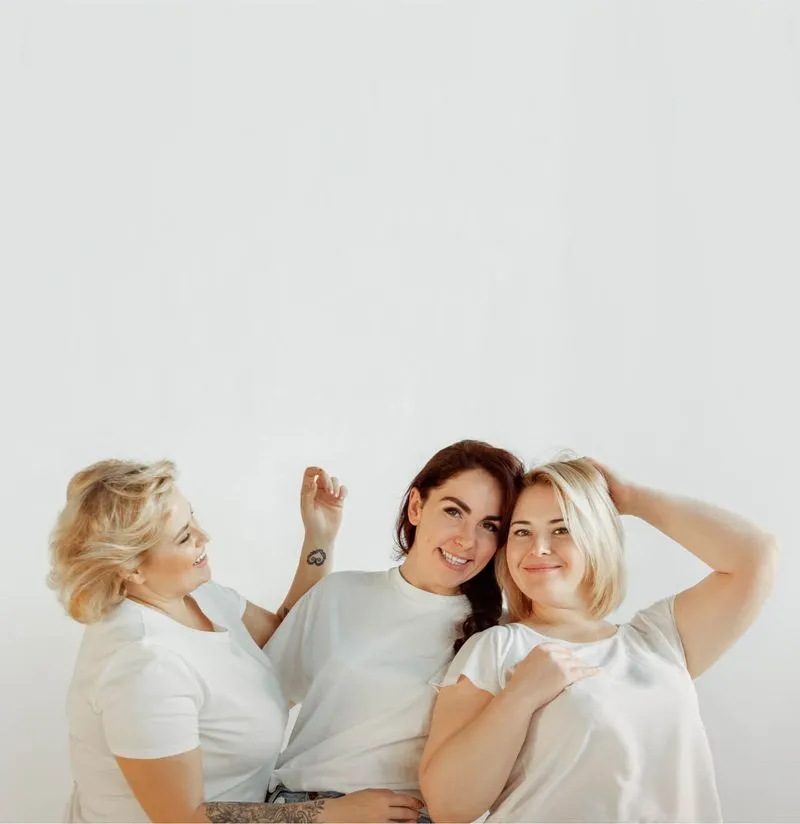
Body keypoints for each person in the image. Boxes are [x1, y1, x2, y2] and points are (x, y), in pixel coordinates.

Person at [419, 456, 778, 823]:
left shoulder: (659, 638)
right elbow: (449, 807)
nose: (538, 548)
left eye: (562, 529)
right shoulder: (497, 647)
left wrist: (633, 499)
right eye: (522, 532)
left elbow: (756, 556)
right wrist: (520, 696)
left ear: (595, 537)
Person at [51, 458, 397, 823]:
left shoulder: (196, 594)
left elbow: (289, 637)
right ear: (132, 567)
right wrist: (332, 813)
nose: (204, 537)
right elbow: (184, 819)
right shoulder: (144, 665)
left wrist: (319, 537)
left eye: (192, 517)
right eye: (184, 537)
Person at [262, 440, 524, 822]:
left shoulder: (501, 635)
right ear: (416, 507)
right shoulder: (339, 593)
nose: (467, 540)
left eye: (489, 525)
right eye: (454, 511)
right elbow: (259, 701)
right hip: (296, 811)